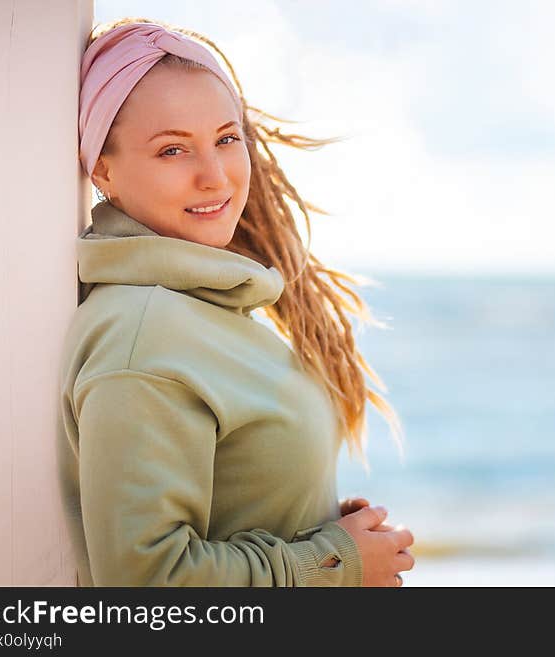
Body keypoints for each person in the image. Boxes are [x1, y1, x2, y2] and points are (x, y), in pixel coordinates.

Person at [57, 17, 414, 587]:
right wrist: (333, 564)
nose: (214, 176)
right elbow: (146, 588)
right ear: (103, 168)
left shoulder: (205, 311)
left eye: (227, 139)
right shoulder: (142, 336)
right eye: (172, 150)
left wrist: (317, 531)